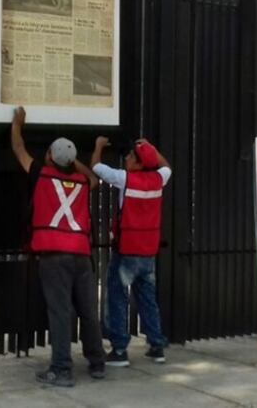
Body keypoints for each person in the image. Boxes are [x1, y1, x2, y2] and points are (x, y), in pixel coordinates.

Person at [10, 106, 106, 387]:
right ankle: (97, 363)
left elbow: (18, 148)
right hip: (81, 254)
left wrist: (17, 123)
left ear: (50, 156)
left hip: (53, 255)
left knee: (61, 312)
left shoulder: (41, 175)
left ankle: (62, 369)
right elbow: (95, 178)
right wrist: (74, 161)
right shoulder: (81, 181)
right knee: (88, 310)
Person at [91, 136, 172, 366]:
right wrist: (152, 149)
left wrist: (98, 146)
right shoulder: (158, 179)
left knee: (117, 297)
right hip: (147, 252)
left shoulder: (124, 179)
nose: (126, 158)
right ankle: (156, 346)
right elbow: (166, 167)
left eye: (130, 156)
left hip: (126, 251)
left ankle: (119, 350)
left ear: (137, 163)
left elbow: (96, 167)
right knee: (147, 299)